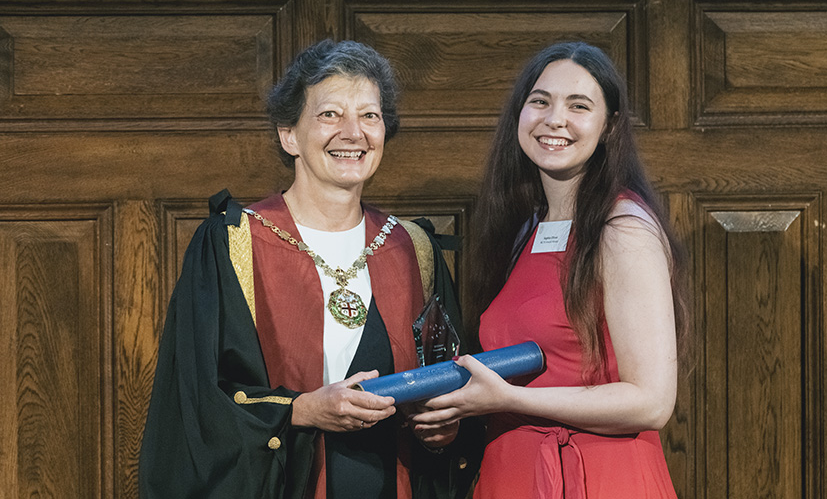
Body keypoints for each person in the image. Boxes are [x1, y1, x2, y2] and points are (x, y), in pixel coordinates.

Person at [139, 39, 478, 499]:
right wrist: (300, 410)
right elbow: (195, 401)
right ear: (289, 135)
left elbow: (448, 384)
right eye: (329, 114)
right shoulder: (232, 243)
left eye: (370, 115)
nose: (353, 132)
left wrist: (446, 428)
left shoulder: (413, 248)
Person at [410, 41, 689, 497]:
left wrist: (509, 399)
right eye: (540, 101)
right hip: (511, 470)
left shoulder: (623, 230)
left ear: (610, 125)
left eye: (578, 106)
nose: (554, 119)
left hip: (593, 476)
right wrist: (460, 413)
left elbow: (651, 401)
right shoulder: (526, 230)